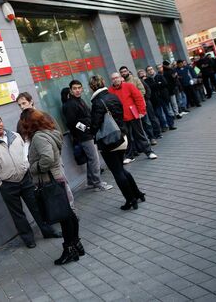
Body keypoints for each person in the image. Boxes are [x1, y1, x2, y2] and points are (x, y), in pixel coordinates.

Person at [0, 115, 61, 248]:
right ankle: (28, 239)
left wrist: (26, 167)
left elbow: (26, 155)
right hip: (7, 185)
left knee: (37, 207)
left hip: (25, 179)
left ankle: (48, 231)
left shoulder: (16, 136)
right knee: (18, 214)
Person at [18, 108, 83, 265]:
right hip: (56, 177)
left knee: (63, 216)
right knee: (68, 214)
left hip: (50, 180)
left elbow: (47, 158)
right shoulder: (49, 131)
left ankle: (70, 249)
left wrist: (33, 167)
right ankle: (76, 245)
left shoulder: (39, 137)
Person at [88, 76, 146, 210]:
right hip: (121, 136)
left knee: (117, 172)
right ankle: (137, 194)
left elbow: (95, 125)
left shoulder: (97, 102)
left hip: (109, 141)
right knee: (121, 169)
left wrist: (90, 129)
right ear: (103, 83)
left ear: (92, 87)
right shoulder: (113, 96)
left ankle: (130, 200)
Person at [61, 80, 113, 191]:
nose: (77, 90)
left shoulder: (79, 100)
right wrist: (87, 129)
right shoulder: (71, 104)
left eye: (79, 87)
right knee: (94, 159)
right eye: (75, 88)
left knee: (91, 159)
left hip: (88, 134)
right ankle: (98, 183)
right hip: (84, 136)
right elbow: (72, 123)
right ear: (70, 90)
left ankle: (91, 182)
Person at [108, 72, 158, 164]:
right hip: (121, 118)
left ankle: (149, 152)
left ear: (120, 78)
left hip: (133, 115)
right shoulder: (110, 90)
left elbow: (138, 98)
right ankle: (129, 156)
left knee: (140, 134)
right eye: (113, 78)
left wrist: (141, 111)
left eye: (116, 77)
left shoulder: (129, 86)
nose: (115, 80)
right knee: (126, 138)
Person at [147, 65, 176, 132]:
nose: (150, 71)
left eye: (151, 69)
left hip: (163, 97)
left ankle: (171, 125)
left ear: (153, 70)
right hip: (155, 99)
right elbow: (150, 87)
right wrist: (158, 84)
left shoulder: (159, 76)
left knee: (167, 111)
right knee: (159, 114)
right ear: (147, 72)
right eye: (148, 70)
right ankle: (164, 126)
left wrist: (156, 85)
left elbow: (165, 84)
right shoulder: (147, 80)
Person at [137, 69, 162, 144]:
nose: (141, 74)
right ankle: (152, 135)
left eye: (142, 72)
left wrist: (146, 98)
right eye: (140, 73)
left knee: (152, 117)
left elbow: (148, 89)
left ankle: (158, 133)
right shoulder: (139, 80)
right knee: (146, 121)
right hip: (140, 104)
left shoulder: (140, 81)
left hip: (147, 102)